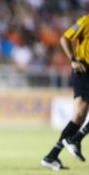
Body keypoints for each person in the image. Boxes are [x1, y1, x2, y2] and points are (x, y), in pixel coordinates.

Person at [41, 14, 89, 171]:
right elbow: (65, 39)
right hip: (83, 69)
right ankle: (76, 138)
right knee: (80, 114)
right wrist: (73, 59)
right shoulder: (86, 21)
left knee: (79, 115)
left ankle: (52, 156)